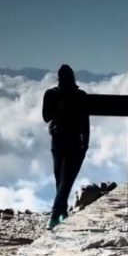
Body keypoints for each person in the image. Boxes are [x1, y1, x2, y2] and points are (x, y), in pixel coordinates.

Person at [42, 64, 89, 229]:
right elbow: (85, 122)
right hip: (74, 142)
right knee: (64, 180)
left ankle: (58, 214)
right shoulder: (80, 95)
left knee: (62, 180)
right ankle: (58, 213)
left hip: (58, 141)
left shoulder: (51, 94)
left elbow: (46, 117)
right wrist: (86, 143)